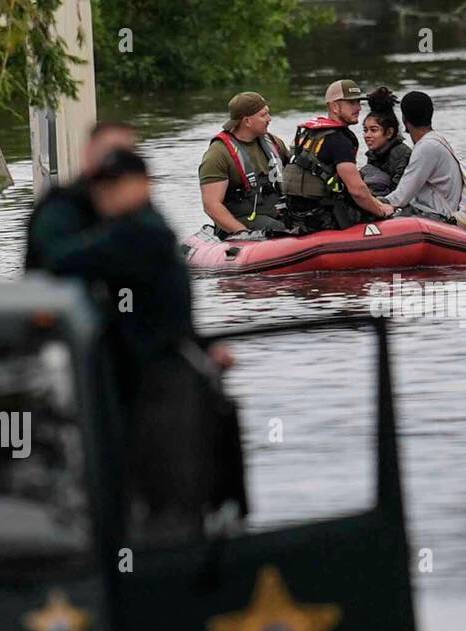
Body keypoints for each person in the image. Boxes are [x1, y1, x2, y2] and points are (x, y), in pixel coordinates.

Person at [40, 150, 247, 534]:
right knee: (165, 484)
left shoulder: (137, 232)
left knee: (164, 486)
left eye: (110, 187)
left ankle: (165, 564)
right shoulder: (149, 226)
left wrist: (53, 207)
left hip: (161, 379)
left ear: (139, 186)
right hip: (168, 367)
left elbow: (56, 259)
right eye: (100, 188)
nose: (102, 197)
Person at [23, 121, 138, 271]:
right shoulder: (59, 207)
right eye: (108, 152)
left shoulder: (139, 208)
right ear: (88, 153)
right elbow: (54, 260)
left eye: (127, 154)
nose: (117, 162)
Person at [281, 79, 392, 232]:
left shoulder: (308, 133)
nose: (358, 108)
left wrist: (376, 202)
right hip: (320, 217)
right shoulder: (339, 140)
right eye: (351, 103)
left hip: (294, 214)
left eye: (358, 103)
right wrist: (381, 211)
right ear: (334, 106)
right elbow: (357, 191)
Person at [198, 92, 291, 237]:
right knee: (281, 230)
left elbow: (294, 173)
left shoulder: (274, 143)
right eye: (263, 115)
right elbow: (211, 205)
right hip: (243, 219)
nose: (269, 119)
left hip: (277, 212)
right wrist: (242, 233)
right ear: (247, 121)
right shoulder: (218, 154)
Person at [382, 91, 463, 223]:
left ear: (404, 119)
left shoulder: (426, 147)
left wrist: (371, 202)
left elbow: (400, 198)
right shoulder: (437, 140)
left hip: (435, 217)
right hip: (440, 213)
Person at [359, 87, 411, 198]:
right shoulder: (374, 153)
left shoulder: (402, 154)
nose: (367, 135)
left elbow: (399, 192)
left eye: (373, 130)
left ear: (389, 133)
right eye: (365, 130)